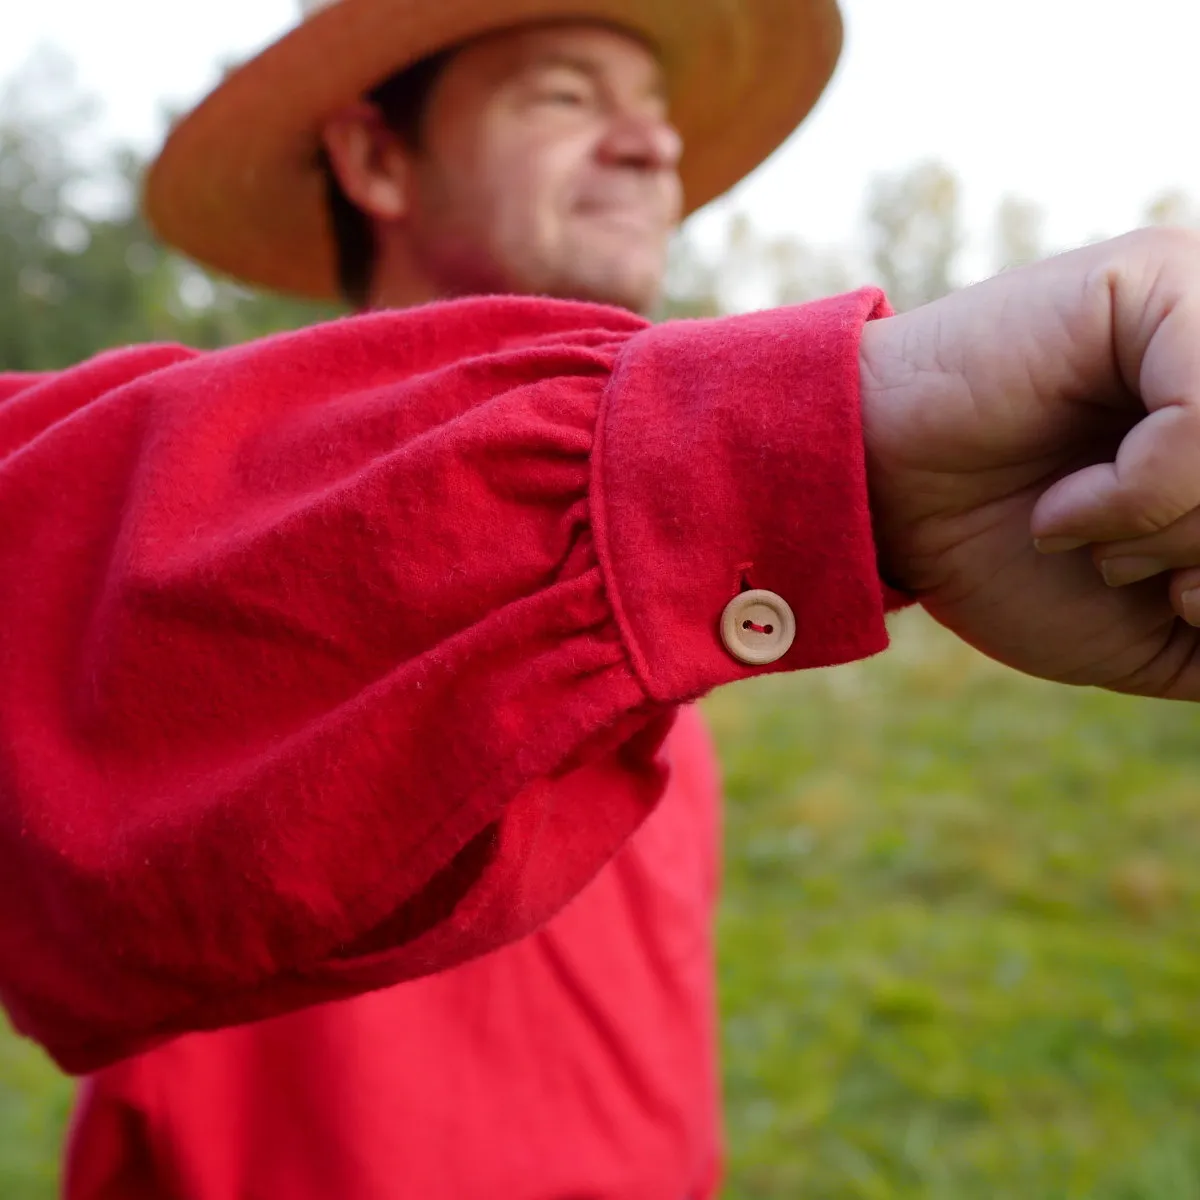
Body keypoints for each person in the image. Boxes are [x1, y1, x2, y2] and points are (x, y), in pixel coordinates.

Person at [2, 0, 1200, 1197]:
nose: (651, 145)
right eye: (566, 97)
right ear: (376, 158)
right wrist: (823, 441)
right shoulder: (203, 526)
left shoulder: (656, 601)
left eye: (656, 111)